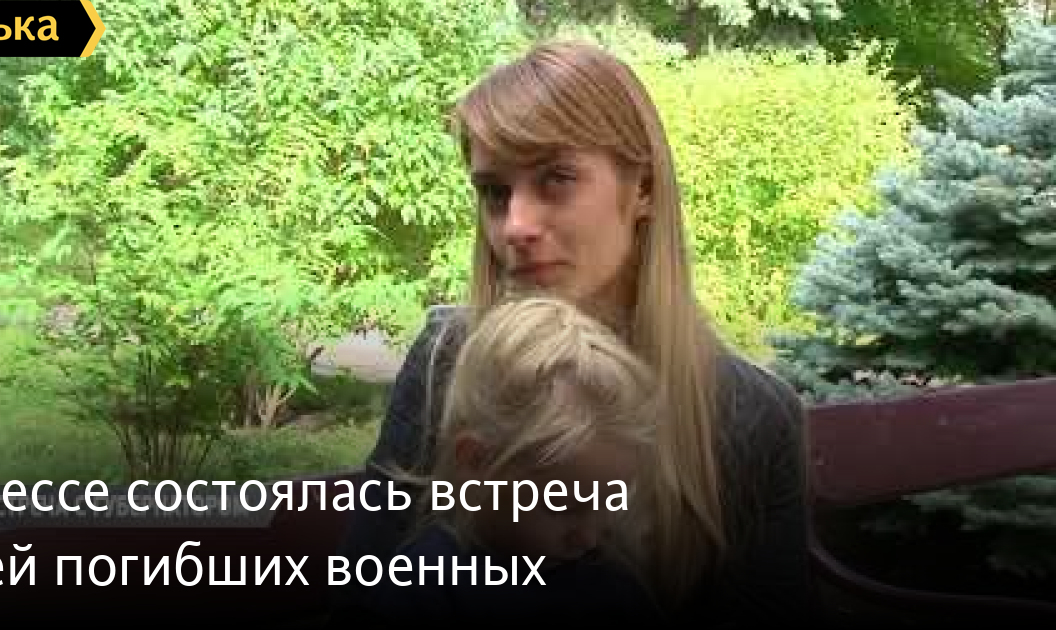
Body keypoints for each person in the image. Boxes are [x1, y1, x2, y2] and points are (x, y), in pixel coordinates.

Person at [335, 40, 815, 627]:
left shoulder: (752, 415)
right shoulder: (448, 359)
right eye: (495, 192)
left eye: (556, 178)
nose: (515, 225)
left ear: (643, 189)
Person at [354, 296, 667, 626]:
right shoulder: (425, 586)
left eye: (610, 503)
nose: (588, 537)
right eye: (563, 505)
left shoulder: (608, 579)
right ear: (476, 461)